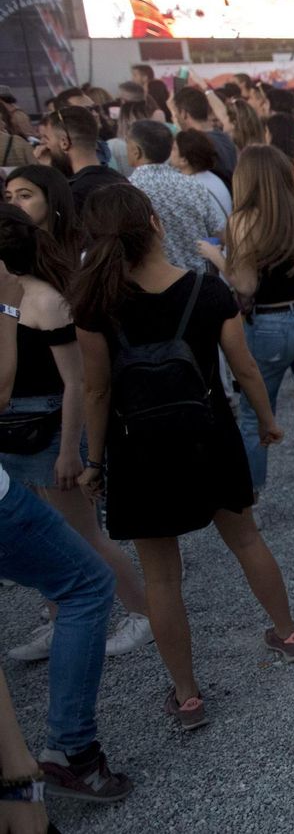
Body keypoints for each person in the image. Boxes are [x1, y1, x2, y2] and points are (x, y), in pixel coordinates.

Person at [72, 184, 294, 731]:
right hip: (209, 433)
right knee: (246, 538)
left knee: (161, 577)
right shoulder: (208, 290)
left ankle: (187, 693)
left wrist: (94, 461)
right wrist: (268, 421)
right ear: (155, 224)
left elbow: (98, 392)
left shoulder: (94, 305)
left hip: (140, 447)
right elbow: (244, 367)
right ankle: (288, 633)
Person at [0, 253, 130, 802]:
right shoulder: (19, 297)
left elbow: (76, 381)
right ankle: (70, 750)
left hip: (32, 450)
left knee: (83, 563)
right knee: (86, 581)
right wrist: (7, 303)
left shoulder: (50, 301)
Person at [196, 145, 294, 523]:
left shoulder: (242, 221)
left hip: (267, 323)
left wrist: (216, 256)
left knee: (253, 417)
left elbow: (245, 286)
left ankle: (253, 500)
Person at [125, 121, 226, 274]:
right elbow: (219, 236)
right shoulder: (194, 185)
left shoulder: (129, 191)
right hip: (200, 284)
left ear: (136, 151)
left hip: (157, 286)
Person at [35, 108, 123, 210]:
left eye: (47, 139)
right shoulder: (119, 179)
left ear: (64, 143)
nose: (44, 146)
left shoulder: (74, 194)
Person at [170, 87, 237, 178]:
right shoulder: (224, 137)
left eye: (175, 114)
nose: (175, 118)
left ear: (184, 113)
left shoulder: (197, 144)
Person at [171, 129, 233, 215]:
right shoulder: (213, 177)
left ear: (184, 160)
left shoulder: (191, 187)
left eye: (174, 149)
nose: (170, 152)